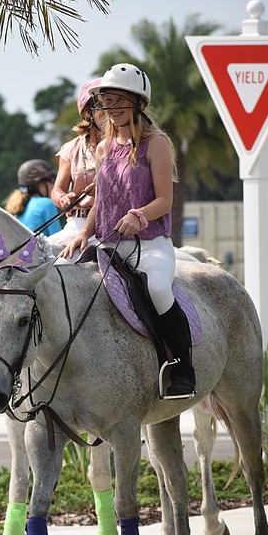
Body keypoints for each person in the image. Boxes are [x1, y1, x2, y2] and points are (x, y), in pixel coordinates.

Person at [60, 63, 196, 400]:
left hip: (150, 244)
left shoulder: (157, 144)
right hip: (109, 243)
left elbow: (164, 200)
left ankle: (182, 370)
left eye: (119, 100)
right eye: (106, 102)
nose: (112, 108)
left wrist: (138, 214)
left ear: (138, 103)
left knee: (159, 290)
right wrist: (84, 232)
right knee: (67, 282)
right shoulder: (104, 148)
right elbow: (103, 202)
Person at [47, 77, 104, 247]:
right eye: (102, 105)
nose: (110, 111)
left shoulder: (126, 146)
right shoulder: (71, 148)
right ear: (88, 112)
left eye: (115, 104)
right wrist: (63, 198)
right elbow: (57, 190)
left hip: (110, 225)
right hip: (75, 225)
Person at [4, 159, 62, 236]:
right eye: (51, 181)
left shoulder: (17, 207)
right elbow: (57, 238)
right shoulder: (47, 204)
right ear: (41, 184)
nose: (53, 186)